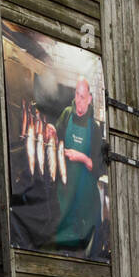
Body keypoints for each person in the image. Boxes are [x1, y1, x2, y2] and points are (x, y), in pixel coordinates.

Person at [53, 76, 105, 255]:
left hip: (84, 197)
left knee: (82, 248)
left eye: (83, 97)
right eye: (77, 95)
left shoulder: (94, 128)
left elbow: (97, 167)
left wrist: (81, 157)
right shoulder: (67, 114)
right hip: (64, 192)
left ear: (89, 99)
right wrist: (52, 131)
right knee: (61, 243)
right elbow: (56, 138)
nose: (79, 101)